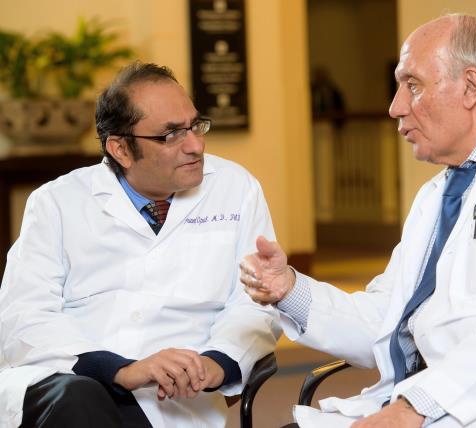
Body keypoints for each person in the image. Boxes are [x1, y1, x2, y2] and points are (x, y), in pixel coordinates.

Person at [240, 14, 476, 428]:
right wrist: (289, 289)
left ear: (470, 87)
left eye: (412, 85)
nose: (395, 107)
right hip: (425, 404)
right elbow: (387, 320)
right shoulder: (437, 194)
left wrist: (415, 406)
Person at [0, 62, 281, 428]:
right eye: (171, 135)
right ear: (120, 149)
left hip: (171, 399)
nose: (195, 146)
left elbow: (257, 302)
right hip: (67, 379)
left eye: (195, 126)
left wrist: (218, 361)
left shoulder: (236, 189)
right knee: (79, 399)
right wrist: (119, 370)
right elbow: (24, 314)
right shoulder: (56, 202)